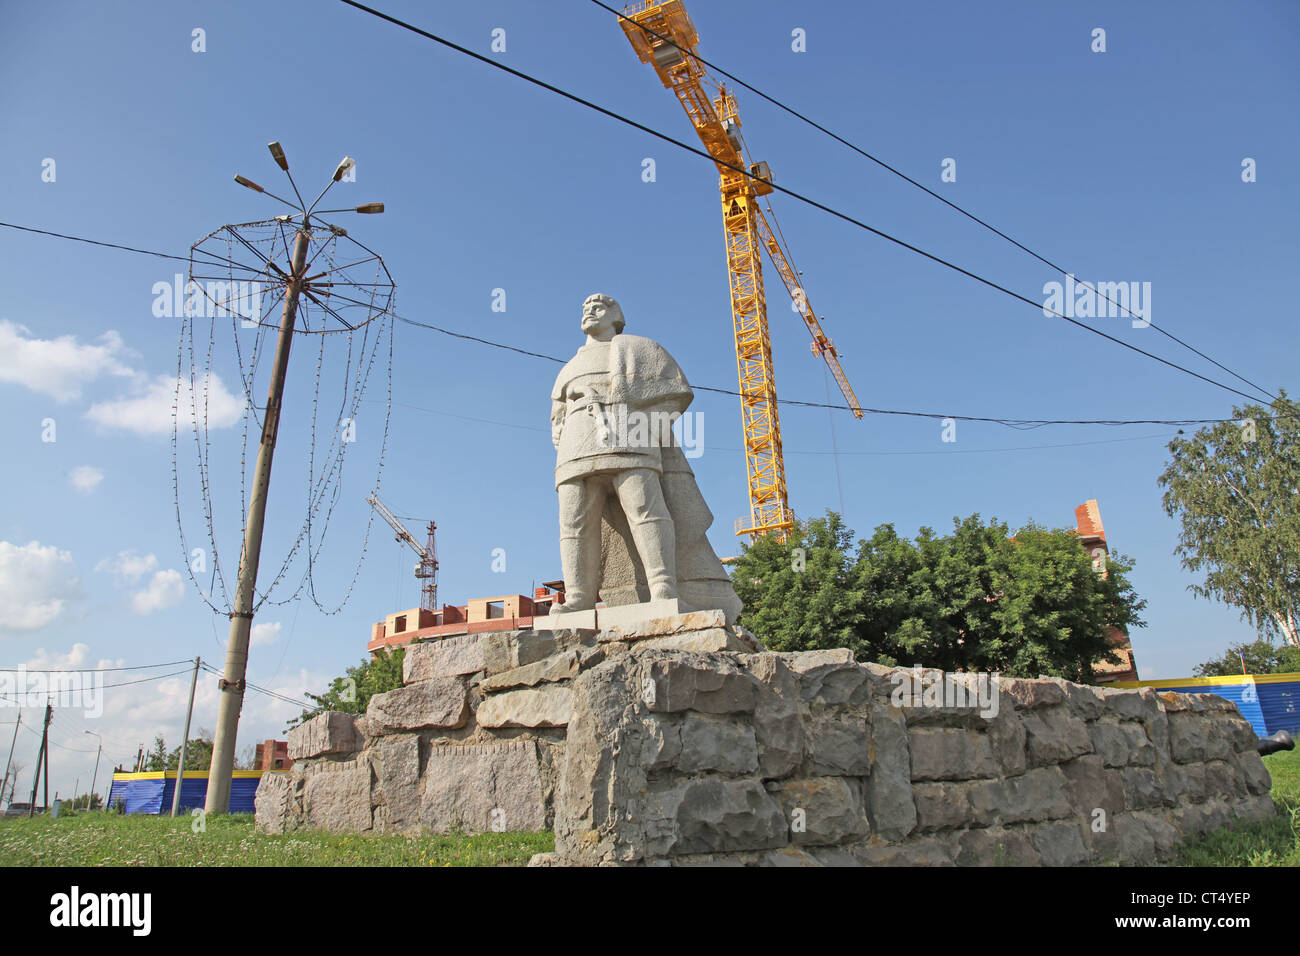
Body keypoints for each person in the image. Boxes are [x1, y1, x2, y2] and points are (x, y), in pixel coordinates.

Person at [549, 293, 690, 613]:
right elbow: (557, 412)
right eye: (584, 308)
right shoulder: (570, 366)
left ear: (616, 315)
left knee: (645, 507)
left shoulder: (639, 349)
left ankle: (663, 587)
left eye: (597, 307)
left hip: (630, 434)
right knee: (573, 520)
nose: (588, 311)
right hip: (578, 442)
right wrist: (561, 431)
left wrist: (648, 425)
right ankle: (578, 597)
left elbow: (677, 392)